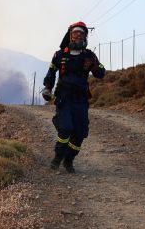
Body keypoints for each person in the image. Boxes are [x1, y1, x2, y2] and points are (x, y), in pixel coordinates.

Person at [42, 21, 105, 172]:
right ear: (70, 35)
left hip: (81, 100)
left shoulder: (89, 55)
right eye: (76, 32)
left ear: (85, 37)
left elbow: (101, 73)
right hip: (63, 98)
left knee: (80, 132)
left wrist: (94, 66)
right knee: (65, 129)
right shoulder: (60, 55)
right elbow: (51, 73)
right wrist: (47, 88)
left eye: (82, 33)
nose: (78, 35)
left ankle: (68, 161)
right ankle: (57, 158)